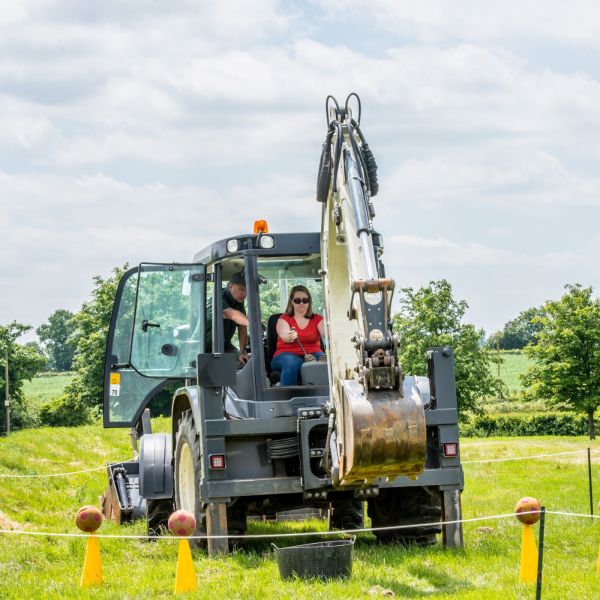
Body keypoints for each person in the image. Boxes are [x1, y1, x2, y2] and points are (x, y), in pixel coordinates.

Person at [271, 285, 325, 385]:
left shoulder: (317, 319)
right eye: (297, 300)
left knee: (324, 362)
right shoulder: (284, 319)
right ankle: (287, 396)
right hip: (285, 354)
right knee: (292, 362)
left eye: (305, 300)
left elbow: (326, 333)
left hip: (313, 353)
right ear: (291, 301)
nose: (301, 303)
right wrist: (289, 336)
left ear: (309, 302)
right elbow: (284, 335)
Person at [205, 272, 250, 364]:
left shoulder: (238, 302)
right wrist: (253, 323)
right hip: (204, 348)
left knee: (245, 362)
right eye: (242, 289)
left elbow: (242, 327)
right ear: (230, 286)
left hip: (224, 347)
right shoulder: (217, 298)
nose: (245, 294)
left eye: (247, 290)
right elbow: (231, 314)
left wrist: (242, 352)